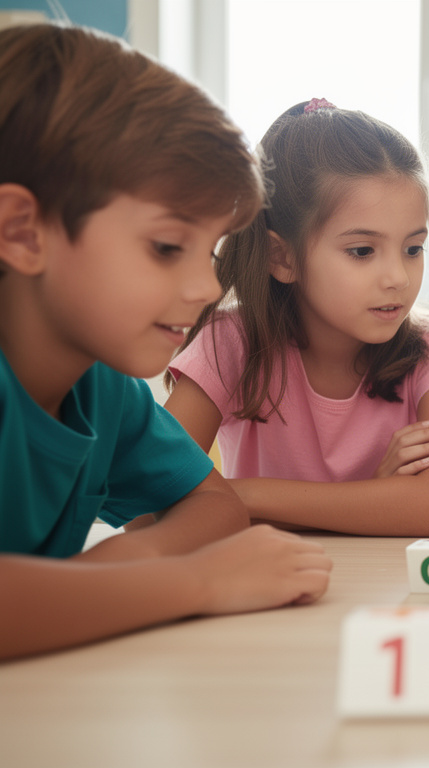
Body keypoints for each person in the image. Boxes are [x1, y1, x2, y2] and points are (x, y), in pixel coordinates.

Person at [0, 23, 331, 660]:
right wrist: (190, 582)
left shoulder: (100, 388)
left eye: (208, 251)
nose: (206, 286)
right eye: (166, 247)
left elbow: (215, 505)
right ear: (23, 230)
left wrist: (111, 576)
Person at [164, 100, 429, 537]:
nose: (397, 277)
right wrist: (375, 498)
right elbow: (149, 504)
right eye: (362, 252)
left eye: (413, 248)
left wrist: (234, 496)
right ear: (282, 257)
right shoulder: (230, 344)